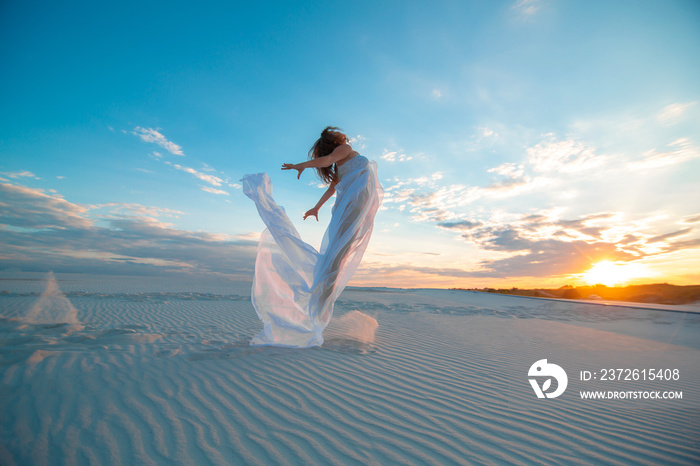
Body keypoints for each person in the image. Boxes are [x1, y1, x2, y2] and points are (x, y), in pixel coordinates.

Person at [241, 127, 383, 347]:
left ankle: (319, 303)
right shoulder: (343, 151)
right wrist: (307, 180)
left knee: (338, 256)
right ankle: (319, 306)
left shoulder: (345, 154)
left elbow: (331, 176)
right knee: (336, 257)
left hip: (355, 204)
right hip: (351, 205)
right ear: (335, 142)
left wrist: (316, 207)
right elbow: (331, 177)